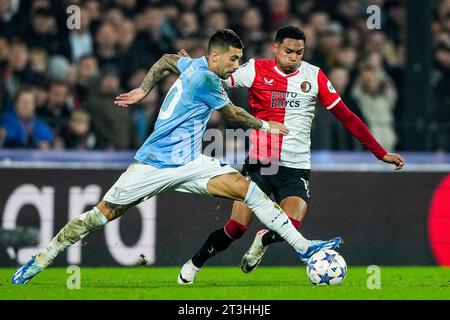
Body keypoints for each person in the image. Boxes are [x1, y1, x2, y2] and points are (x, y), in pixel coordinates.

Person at [11, 29, 341, 285]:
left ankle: (303, 248)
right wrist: (264, 124)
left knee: (247, 189)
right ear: (215, 57)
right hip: (152, 164)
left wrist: (143, 89)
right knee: (99, 217)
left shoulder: (195, 64)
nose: (237, 67)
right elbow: (234, 115)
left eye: (240, 60)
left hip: (190, 162)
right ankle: (44, 257)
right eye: (233, 60)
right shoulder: (208, 79)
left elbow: (168, 59)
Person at [177, 26, 405, 284]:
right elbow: (216, 75)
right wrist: (193, 65)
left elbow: (347, 117)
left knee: (291, 227)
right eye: (288, 51)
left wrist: (380, 152)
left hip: (296, 167)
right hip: (261, 163)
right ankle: (194, 263)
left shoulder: (314, 76)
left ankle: (263, 239)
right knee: (236, 229)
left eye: (300, 52)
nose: (294, 57)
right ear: (275, 48)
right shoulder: (255, 70)